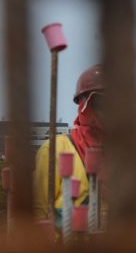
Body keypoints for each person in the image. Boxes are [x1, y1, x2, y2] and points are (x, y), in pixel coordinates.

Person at [34, 64, 104, 225]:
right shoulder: (55, 151)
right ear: (83, 106)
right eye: (101, 104)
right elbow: (37, 216)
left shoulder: (126, 157)